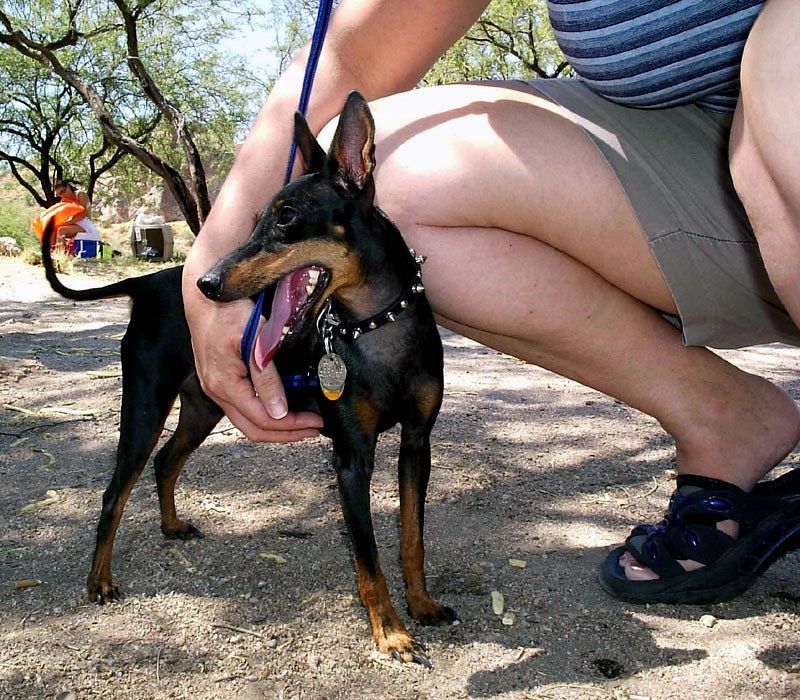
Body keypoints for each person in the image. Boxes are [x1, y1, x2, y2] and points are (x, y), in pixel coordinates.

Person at [182, 0, 800, 603]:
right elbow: (351, 57)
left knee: (787, 49)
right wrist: (211, 276)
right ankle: (722, 416)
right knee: (397, 172)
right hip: (709, 173)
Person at [53, 179, 102, 249]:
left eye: (63, 191)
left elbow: (82, 215)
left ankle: (60, 253)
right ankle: (50, 252)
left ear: (68, 187)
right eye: (59, 194)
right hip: (74, 224)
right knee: (53, 230)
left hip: (85, 225)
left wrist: (65, 223)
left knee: (61, 230)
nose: (62, 195)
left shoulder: (80, 195)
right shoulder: (64, 201)